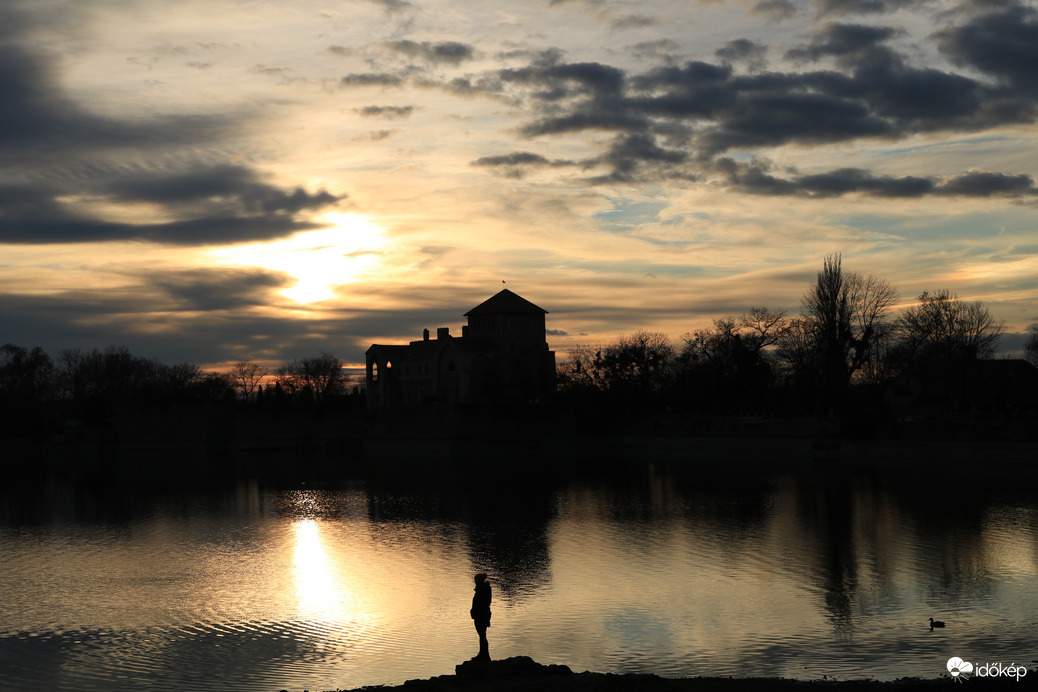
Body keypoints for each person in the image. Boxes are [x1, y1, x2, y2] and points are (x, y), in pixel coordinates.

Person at [469, 572, 492, 661]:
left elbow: (482, 603)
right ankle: (483, 654)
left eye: (476, 580)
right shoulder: (483, 589)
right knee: (482, 635)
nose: (475, 582)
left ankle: (484, 655)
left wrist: (475, 612)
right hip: (481, 614)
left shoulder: (482, 590)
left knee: (482, 635)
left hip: (481, 615)